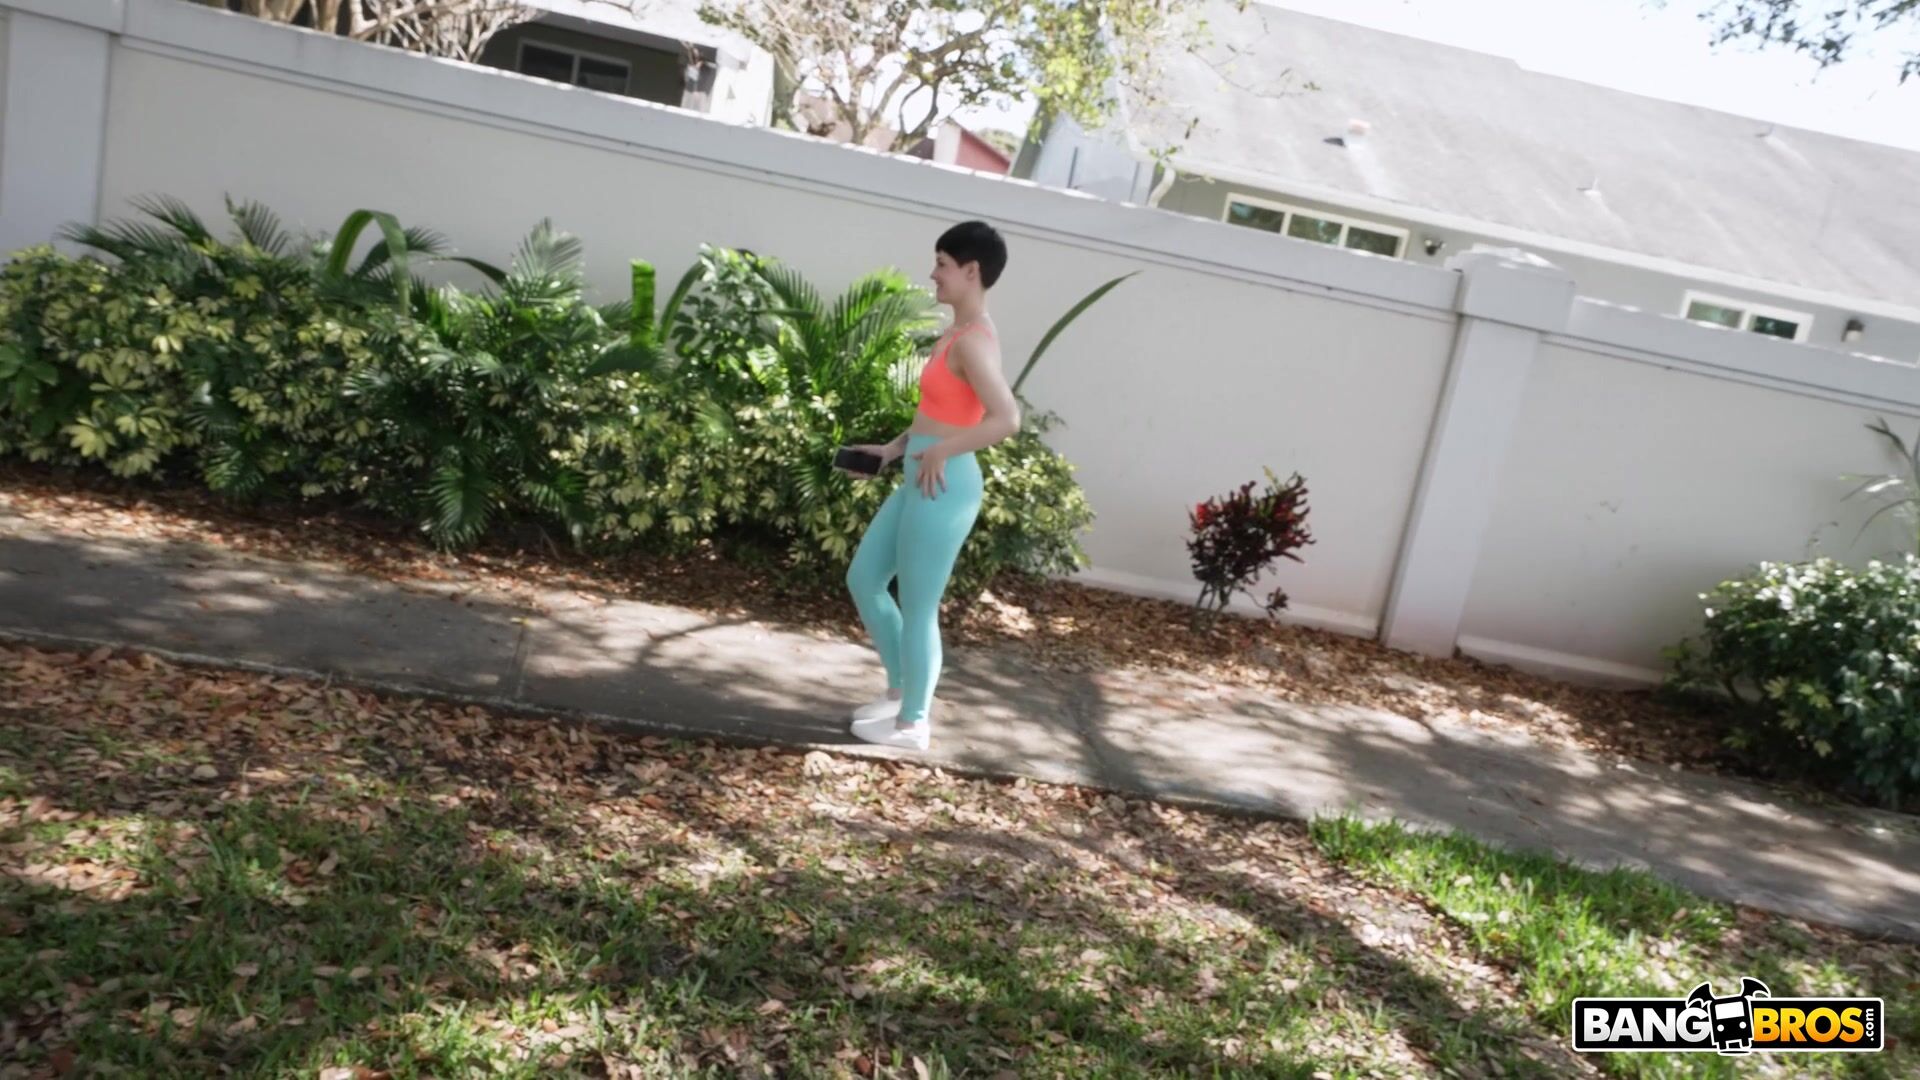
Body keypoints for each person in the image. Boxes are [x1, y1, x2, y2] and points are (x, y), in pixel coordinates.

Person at [839, 221, 1021, 751]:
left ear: (971, 271)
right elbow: (939, 412)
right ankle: (901, 691)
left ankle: (914, 722)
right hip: (920, 472)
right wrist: (893, 449)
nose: (933, 273)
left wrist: (942, 450)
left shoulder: (975, 341)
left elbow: (1007, 419)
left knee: (919, 605)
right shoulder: (957, 334)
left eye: (942, 264)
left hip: (945, 484)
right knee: (865, 578)